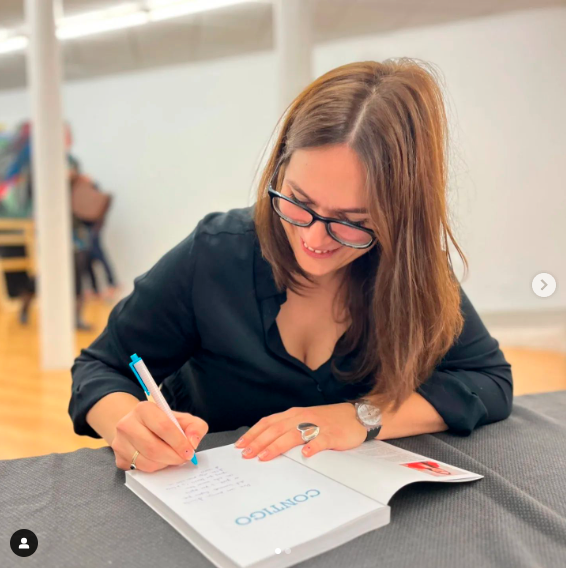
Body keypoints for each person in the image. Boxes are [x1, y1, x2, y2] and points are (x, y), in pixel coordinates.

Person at [69, 59, 513, 474]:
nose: (313, 239)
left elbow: (488, 380)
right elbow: (100, 368)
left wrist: (360, 417)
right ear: (279, 168)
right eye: (298, 203)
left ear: (400, 216)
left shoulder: (409, 267)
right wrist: (124, 421)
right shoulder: (215, 254)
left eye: (352, 223)